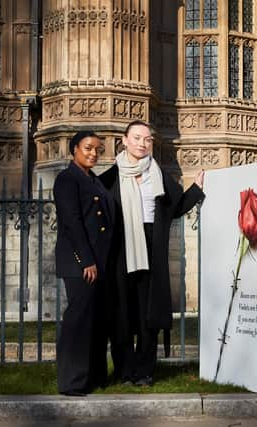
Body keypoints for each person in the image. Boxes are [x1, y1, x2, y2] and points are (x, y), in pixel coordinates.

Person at [100, 120, 205, 386]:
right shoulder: (110, 178)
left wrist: (197, 188)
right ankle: (125, 371)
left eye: (147, 139)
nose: (142, 143)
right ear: (124, 140)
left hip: (152, 248)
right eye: (137, 138)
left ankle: (145, 371)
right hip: (122, 250)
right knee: (122, 311)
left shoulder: (156, 174)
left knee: (149, 314)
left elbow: (176, 205)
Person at [54, 131, 115, 396]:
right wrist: (87, 261)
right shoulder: (67, 179)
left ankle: (94, 377)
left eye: (98, 150)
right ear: (74, 148)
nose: (93, 153)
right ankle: (72, 382)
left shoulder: (93, 180)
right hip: (81, 264)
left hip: (98, 263)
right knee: (78, 322)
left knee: (96, 321)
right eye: (88, 148)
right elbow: (72, 222)